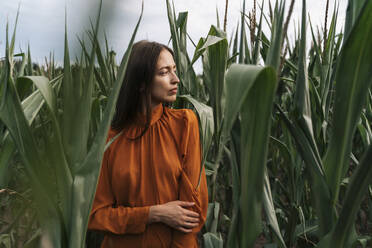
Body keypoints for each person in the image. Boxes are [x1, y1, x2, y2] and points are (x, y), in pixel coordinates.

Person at [88, 40, 209, 248]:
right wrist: (154, 214)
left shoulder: (185, 125)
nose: (176, 79)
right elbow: (96, 216)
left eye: (174, 70)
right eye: (164, 72)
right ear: (140, 82)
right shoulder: (110, 139)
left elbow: (192, 214)